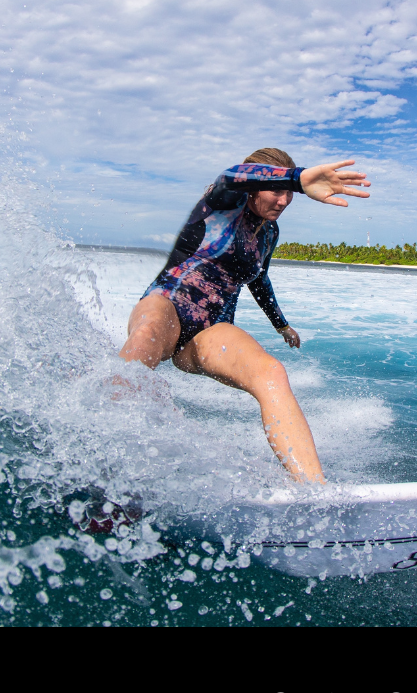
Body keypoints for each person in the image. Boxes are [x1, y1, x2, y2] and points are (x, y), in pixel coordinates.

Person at [114, 148, 370, 483]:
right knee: (146, 335)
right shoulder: (223, 201)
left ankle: (314, 492)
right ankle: (103, 457)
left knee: (271, 373)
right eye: (276, 190)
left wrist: (281, 324)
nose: (283, 201)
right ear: (255, 185)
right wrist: (296, 178)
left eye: (289, 195)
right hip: (168, 305)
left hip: (211, 330)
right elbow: (230, 175)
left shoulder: (269, 233)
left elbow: (259, 278)